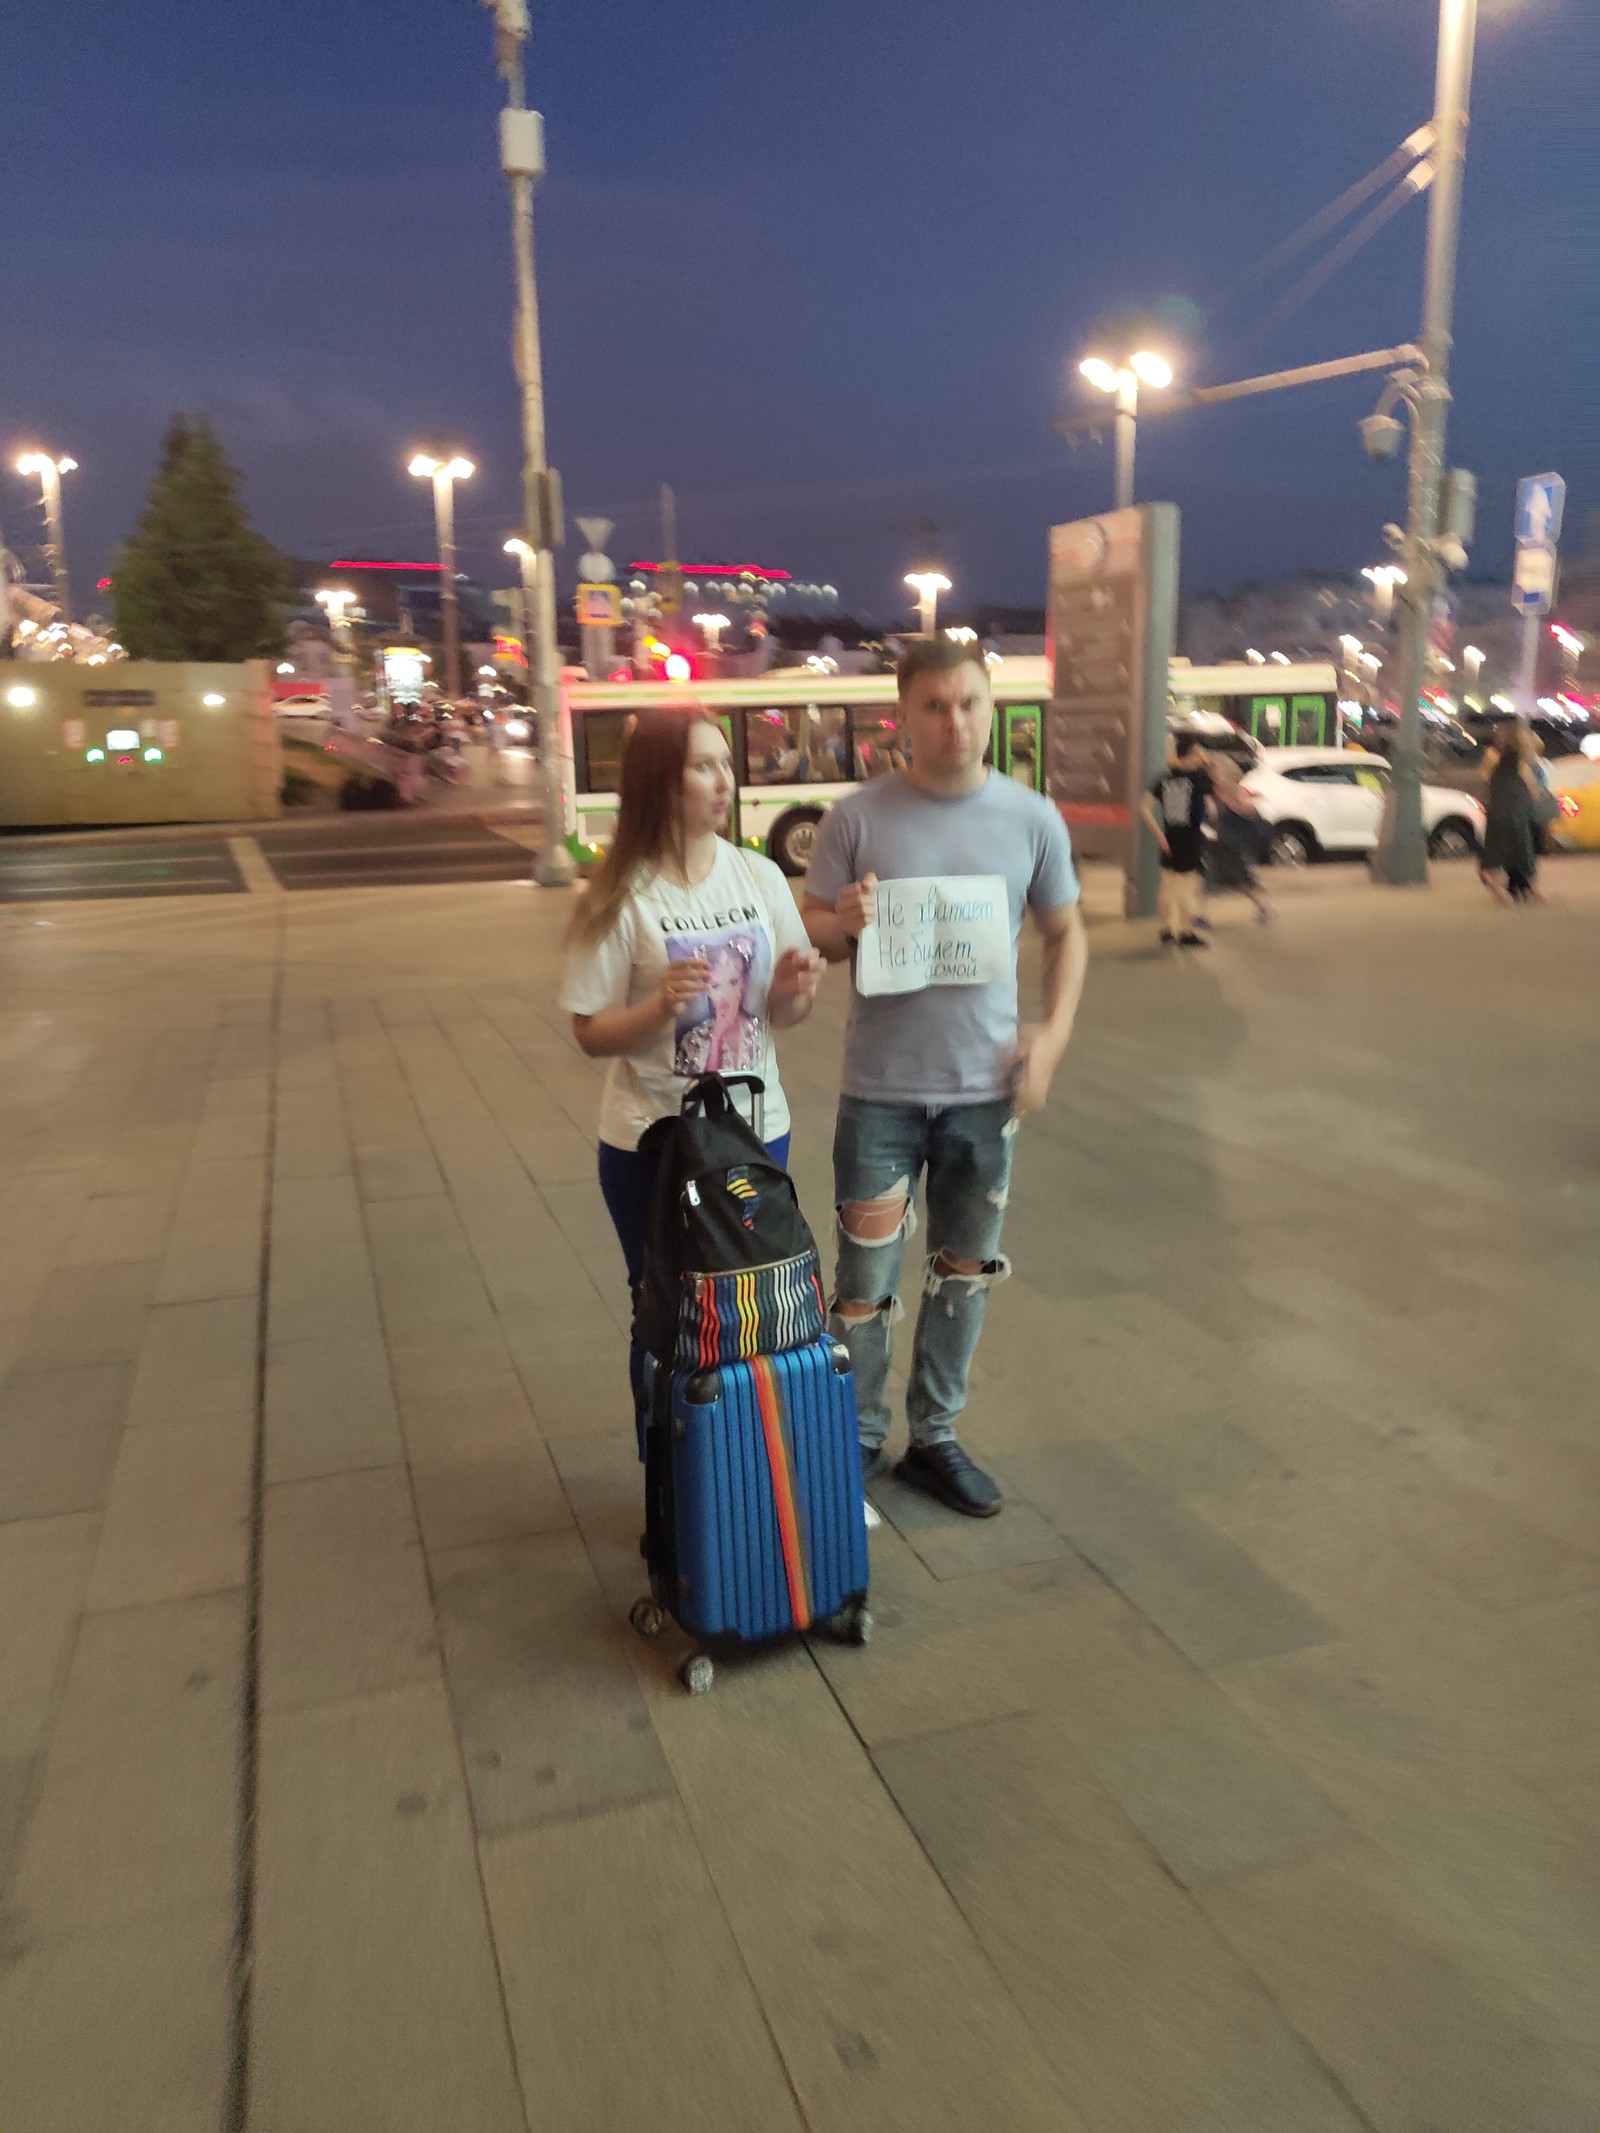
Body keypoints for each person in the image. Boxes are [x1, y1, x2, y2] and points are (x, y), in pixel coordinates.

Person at [803, 638, 1088, 1518]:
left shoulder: (1032, 817)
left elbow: (1066, 933)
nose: (954, 721)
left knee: (964, 1268)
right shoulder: (857, 817)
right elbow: (813, 928)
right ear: (905, 714)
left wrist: (1051, 1037)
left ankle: (936, 1435)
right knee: (864, 1280)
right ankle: (853, 1438)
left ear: (991, 706)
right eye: (934, 705)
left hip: (983, 1088)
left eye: (968, 702)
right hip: (881, 1091)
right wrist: (841, 922)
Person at [560, 710, 823, 1294]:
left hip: (756, 1132)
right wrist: (657, 1009)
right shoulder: (619, 896)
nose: (725, 781)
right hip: (652, 1139)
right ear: (660, 782)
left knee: (751, 1305)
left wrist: (791, 992)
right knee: (663, 1309)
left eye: (726, 764)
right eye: (704, 767)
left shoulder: (760, 879)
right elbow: (589, 1032)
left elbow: (785, 1017)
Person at [1140, 731, 1214, 946]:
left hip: (1169, 836)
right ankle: (1184, 931)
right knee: (1186, 886)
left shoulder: (1163, 780)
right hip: (1190, 838)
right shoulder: (1199, 780)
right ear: (1192, 753)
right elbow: (1210, 809)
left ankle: (1166, 929)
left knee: (1167, 885)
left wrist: (1160, 836)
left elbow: (1143, 808)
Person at [1479, 720, 1546, 905]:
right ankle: (1533, 891)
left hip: (1496, 813)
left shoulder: (1491, 758)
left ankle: (1496, 888)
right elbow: (1532, 789)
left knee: (1494, 854)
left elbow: (1486, 779)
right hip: (1516, 815)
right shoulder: (1520, 765)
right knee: (1524, 853)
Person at [1207, 754, 1273, 924]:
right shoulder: (1211, 791)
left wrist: (1228, 802)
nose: (1215, 775)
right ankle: (1200, 915)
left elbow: (1247, 809)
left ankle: (1264, 907)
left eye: (1217, 771)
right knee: (1207, 879)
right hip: (1221, 840)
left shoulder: (1233, 790)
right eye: (1212, 771)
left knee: (1242, 881)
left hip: (1236, 842)